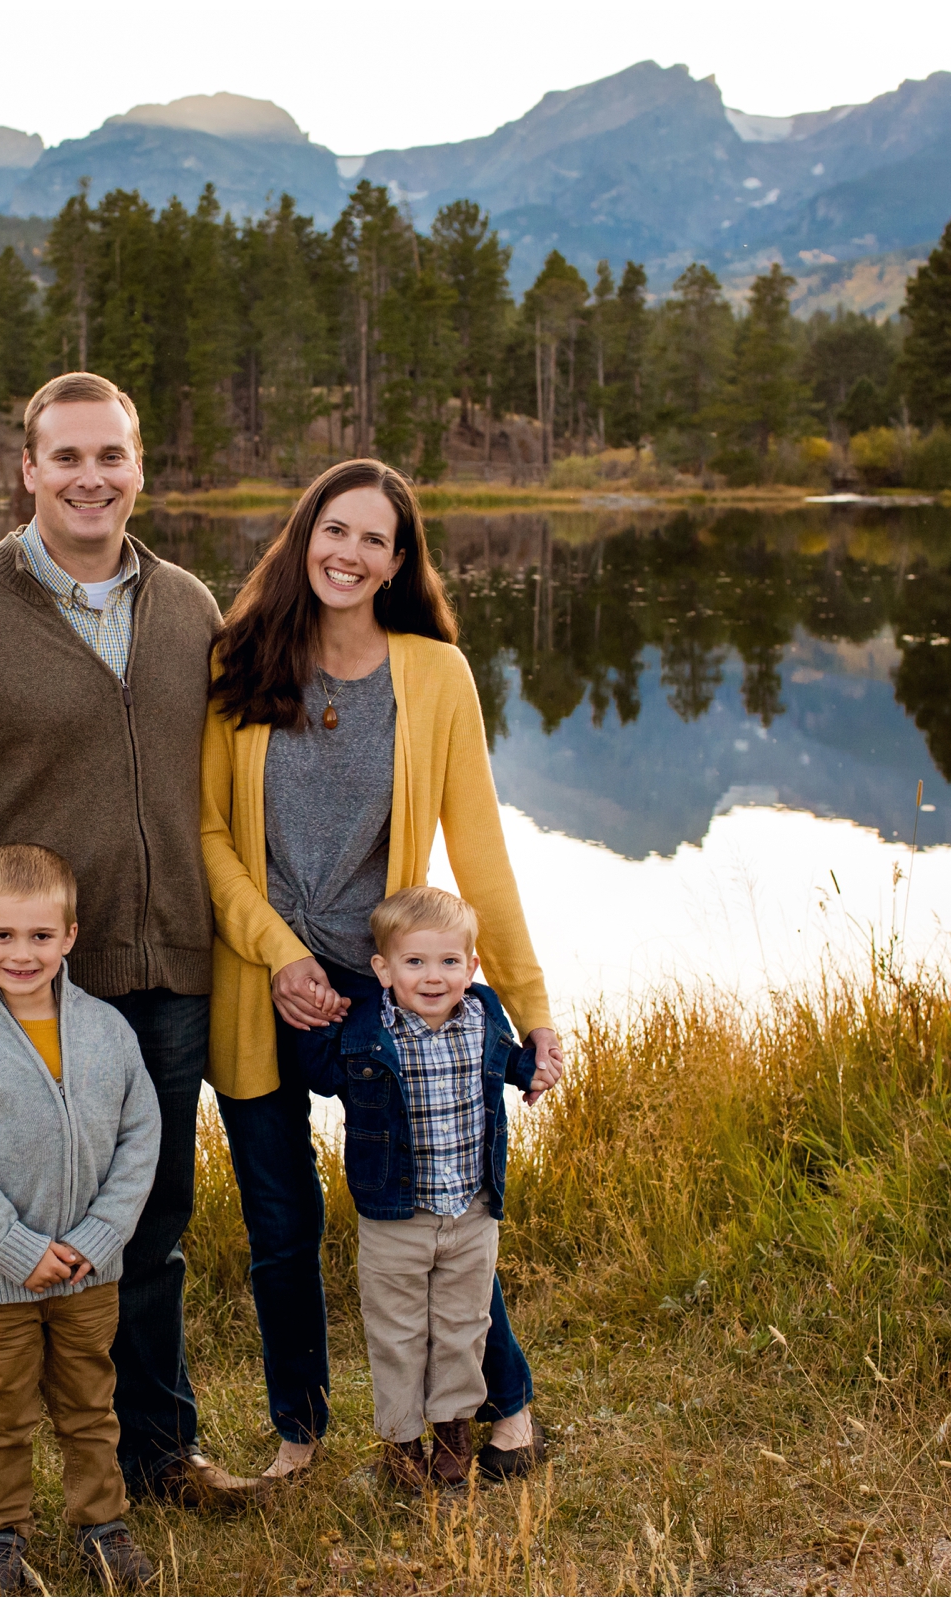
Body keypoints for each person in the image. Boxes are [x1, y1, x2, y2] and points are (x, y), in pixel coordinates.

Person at [0, 371, 270, 1526]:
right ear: (30, 471)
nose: (92, 478)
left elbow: (244, 767)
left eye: (113, 456)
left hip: (167, 973)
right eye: (68, 458)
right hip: (21, 986)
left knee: (149, 1222)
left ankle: (161, 1451)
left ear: (140, 467)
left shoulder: (189, 604)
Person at [199, 457, 564, 1483]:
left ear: (398, 562)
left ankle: (506, 1408)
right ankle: (297, 1433)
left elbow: (480, 850)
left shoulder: (433, 676)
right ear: (302, 532)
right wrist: (275, 953)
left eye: (374, 539)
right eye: (334, 528)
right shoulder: (241, 659)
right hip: (255, 977)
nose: (348, 553)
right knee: (280, 1219)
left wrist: (530, 1011)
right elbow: (209, 834)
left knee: (435, 1198)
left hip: (384, 987)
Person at [0, 845, 164, 1592]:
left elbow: (139, 1138)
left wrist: (95, 1238)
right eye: (2, 936)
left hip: (90, 1269)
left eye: (38, 936)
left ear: (69, 937)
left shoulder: (108, 1032)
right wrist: (17, 1247)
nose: (21, 953)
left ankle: (102, 1521)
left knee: (91, 1399)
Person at [293, 886, 535, 1488]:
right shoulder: (365, 1030)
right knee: (396, 1335)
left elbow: (511, 1064)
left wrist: (539, 1068)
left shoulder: (484, 1015)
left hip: (471, 1211)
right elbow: (317, 1075)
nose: (434, 977)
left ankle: (454, 1434)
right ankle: (401, 1447)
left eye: (450, 962)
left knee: (463, 1328)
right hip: (393, 1218)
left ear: (472, 966)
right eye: (415, 962)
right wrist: (314, 1013)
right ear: (383, 969)